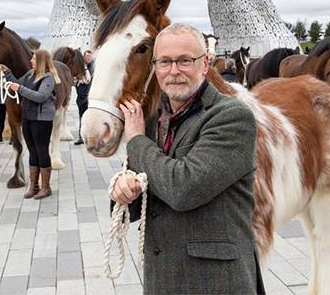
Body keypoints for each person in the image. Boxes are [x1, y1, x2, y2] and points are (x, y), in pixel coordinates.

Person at [110, 23, 263, 294]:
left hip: (217, 282)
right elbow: (141, 194)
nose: (174, 71)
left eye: (184, 61)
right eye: (165, 62)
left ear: (205, 64)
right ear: (154, 67)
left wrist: (135, 141)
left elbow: (183, 188)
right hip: (162, 279)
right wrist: (122, 192)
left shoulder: (231, 117)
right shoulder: (151, 120)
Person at [0, 49, 59, 200]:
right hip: (28, 117)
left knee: (42, 151)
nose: (31, 61)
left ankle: (46, 187)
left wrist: (19, 88)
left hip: (42, 120)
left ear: (41, 61)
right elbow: (18, 84)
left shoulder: (48, 78)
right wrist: (7, 73)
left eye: (33, 59)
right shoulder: (30, 74)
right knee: (32, 151)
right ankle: (34, 186)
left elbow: (40, 97)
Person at [74, 50, 93, 146]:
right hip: (81, 98)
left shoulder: (94, 67)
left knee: (91, 119)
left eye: (90, 56)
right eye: (87, 56)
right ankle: (81, 137)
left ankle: (90, 138)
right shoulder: (80, 68)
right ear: (84, 57)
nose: (88, 58)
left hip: (91, 98)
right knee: (82, 118)